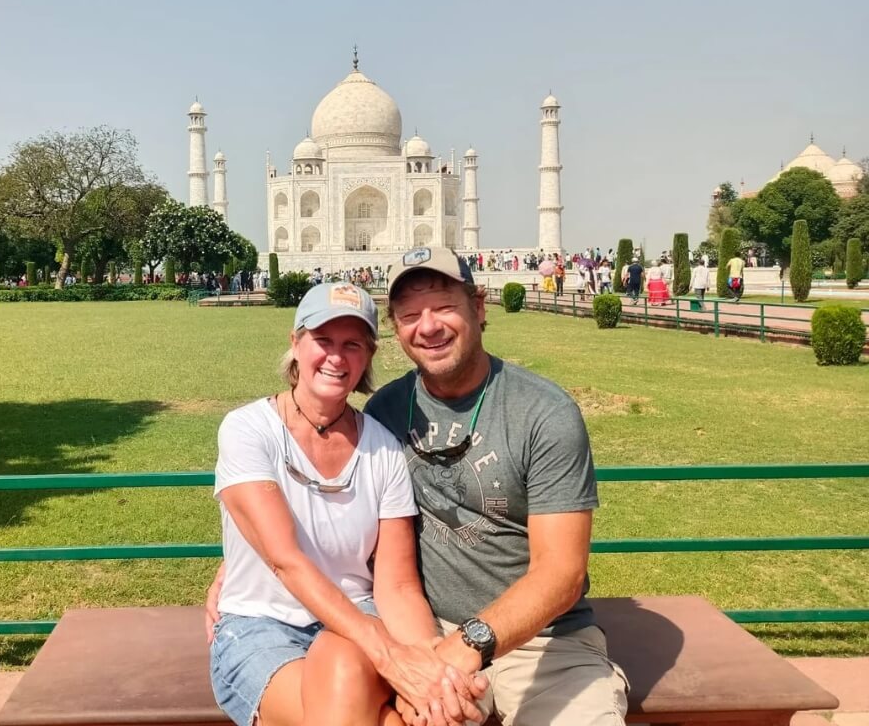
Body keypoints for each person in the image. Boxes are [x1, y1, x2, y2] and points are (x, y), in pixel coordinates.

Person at [210, 248, 628, 726]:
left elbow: (561, 573)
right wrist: (240, 560)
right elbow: (292, 540)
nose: (428, 326)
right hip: (430, 633)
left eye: (444, 307)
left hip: (543, 643)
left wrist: (448, 654)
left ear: (479, 307)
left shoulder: (540, 413)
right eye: (410, 315)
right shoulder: (389, 413)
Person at [209, 281, 485, 726]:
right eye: (323, 340)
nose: (336, 357)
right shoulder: (248, 430)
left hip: (358, 621)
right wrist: (390, 656)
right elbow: (284, 560)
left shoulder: (383, 447)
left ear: (368, 356)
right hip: (262, 626)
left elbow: (397, 585)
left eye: (352, 344)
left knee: (346, 669)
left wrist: (429, 660)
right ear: (295, 343)